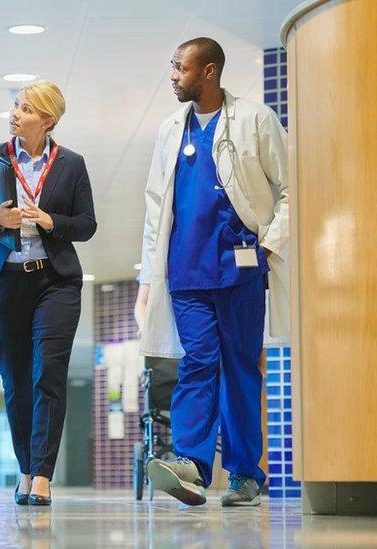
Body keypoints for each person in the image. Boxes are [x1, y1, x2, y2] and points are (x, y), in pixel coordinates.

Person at [136, 37, 289, 507]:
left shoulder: (256, 119)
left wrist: (268, 246)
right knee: (198, 362)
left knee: (241, 368)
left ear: (209, 72)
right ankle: (193, 467)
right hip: (186, 272)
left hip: (241, 268)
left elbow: (289, 190)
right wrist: (147, 281)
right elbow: (156, 206)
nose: (173, 76)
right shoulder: (168, 130)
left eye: (180, 68)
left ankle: (244, 475)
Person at [0, 81, 96, 506]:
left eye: (25, 108)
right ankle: (25, 468)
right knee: (16, 379)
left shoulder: (71, 164)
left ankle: (42, 475)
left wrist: (51, 220)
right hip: (7, 281)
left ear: (48, 120)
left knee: (48, 375)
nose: (15, 113)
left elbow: (87, 225)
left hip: (56, 281)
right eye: (15, 105)